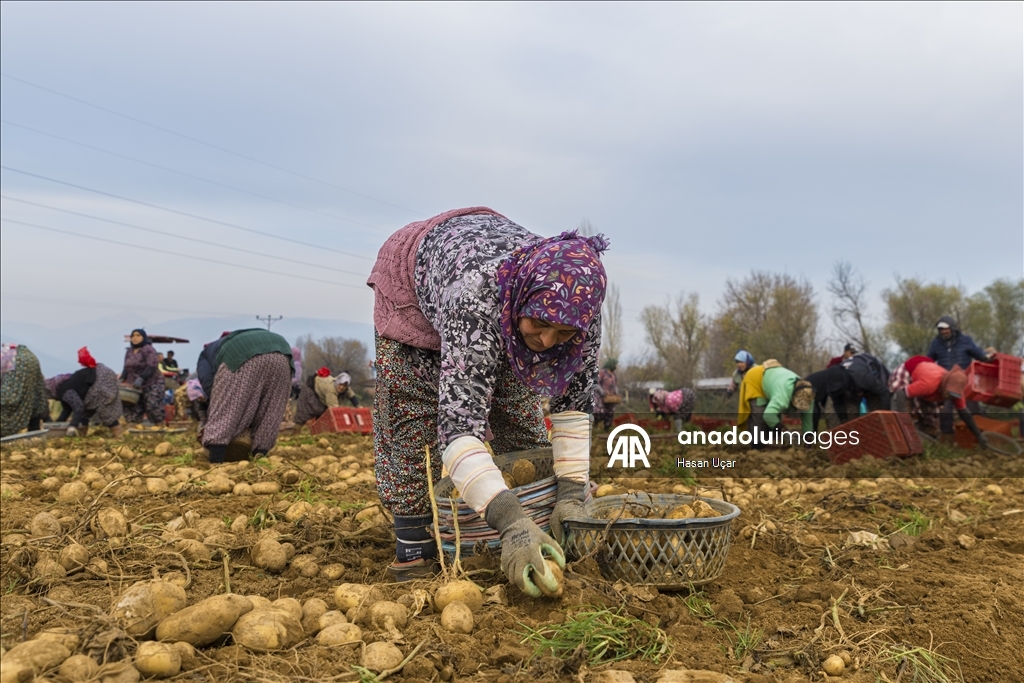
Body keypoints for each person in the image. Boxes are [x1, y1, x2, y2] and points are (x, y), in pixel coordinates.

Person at [367, 207, 607, 593]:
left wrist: (571, 493)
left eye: (562, 333)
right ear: (523, 302)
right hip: (423, 282)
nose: (547, 341)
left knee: (520, 414)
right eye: (540, 325)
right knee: (413, 414)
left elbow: (573, 405)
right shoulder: (476, 295)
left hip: (493, 291)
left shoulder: (581, 310)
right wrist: (510, 520)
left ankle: (544, 533)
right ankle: (415, 545)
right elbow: (458, 429)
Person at [195, 328, 293, 463]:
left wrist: (212, 412)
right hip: (282, 354)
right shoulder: (233, 340)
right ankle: (260, 457)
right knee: (271, 409)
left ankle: (216, 461)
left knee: (225, 409)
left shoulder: (205, 356)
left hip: (242, 356)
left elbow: (210, 386)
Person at [891, 355, 986, 448]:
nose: (949, 397)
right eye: (949, 393)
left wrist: (978, 435)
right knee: (902, 406)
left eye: (953, 395)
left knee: (932, 419)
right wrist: (903, 420)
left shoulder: (956, 391)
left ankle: (924, 445)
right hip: (909, 371)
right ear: (945, 385)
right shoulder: (929, 384)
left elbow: (964, 413)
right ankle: (898, 438)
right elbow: (900, 394)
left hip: (926, 385)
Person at [927, 316, 991, 434]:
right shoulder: (936, 343)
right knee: (946, 411)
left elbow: (978, 353)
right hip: (945, 382)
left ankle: (978, 436)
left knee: (972, 409)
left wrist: (986, 356)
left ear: (952, 328)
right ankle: (947, 440)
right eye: (941, 329)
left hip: (964, 381)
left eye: (946, 329)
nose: (944, 331)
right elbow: (929, 360)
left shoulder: (965, 340)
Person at [44, 348, 124, 437]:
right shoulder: (62, 391)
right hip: (91, 388)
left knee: (106, 414)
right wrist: (56, 426)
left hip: (100, 384)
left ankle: (119, 436)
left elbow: (78, 407)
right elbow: (66, 411)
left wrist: (72, 426)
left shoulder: (65, 392)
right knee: (84, 415)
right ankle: (82, 436)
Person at [737, 359, 814, 435]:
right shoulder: (782, 396)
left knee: (775, 417)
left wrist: (808, 436)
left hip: (773, 380)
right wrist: (782, 429)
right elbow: (768, 415)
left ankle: (771, 441)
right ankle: (756, 444)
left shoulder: (808, 395)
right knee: (759, 416)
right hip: (756, 379)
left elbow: (807, 419)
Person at [1, 343, 49, 437]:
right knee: (33, 398)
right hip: (30, 359)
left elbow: (8, 397)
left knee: (8, 399)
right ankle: (34, 436)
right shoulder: (29, 357)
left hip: (16, 363)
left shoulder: (10, 359)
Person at [121, 329, 165, 426]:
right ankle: (133, 429)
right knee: (133, 407)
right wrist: (122, 378)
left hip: (151, 383)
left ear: (143, 337)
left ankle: (160, 427)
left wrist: (141, 378)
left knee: (152, 406)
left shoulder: (148, 349)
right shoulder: (129, 351)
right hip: (134, 385)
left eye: (138, 335)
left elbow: (152, 366)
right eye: (133, 336)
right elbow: (126, 367)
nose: (135, 338)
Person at [294, 369, 361, 425]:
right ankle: (296, 432)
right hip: (311, 388)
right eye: (340, 385)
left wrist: (358, 407)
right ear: (337, 382)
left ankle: (317, 428)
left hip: (322, 394)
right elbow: (335, 410)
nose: (342, 387)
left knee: (323, 412)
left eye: (344, 386)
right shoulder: (331, 390)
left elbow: (352, 396)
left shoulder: (346, 389)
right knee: (305, 413)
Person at [804, 364, 854, 431]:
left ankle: (813, 434)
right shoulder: (833, 380)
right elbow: (836, 401)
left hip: (818, 391)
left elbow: (837, 402)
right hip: (806, 390)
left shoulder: (834, 381)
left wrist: (844, 419)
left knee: (820, 409)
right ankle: (811, 435)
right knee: (814, 412)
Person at [593, 358, 619, 430]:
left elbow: (615, 385)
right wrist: (602, 392)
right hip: (601, 397)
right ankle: (596, 425)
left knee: (610, 412)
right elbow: (596, 384)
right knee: (600, 412)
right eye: (615, 364)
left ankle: (607, 428)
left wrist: (616, 392)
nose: (616, 366)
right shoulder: (602, 373)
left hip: (610, 397)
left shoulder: (613, 375)